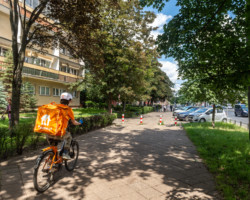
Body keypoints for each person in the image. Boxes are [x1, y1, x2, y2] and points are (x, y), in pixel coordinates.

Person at [47, 92, 82, 160]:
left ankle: (52, 157)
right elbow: (74, 122)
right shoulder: (68, 109)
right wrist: (79, 123)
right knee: (69, 138)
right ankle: (65, 153)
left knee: (53, 145)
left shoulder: (53, 107)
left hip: (49, 132)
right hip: (59, 133)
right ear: (68, 100)